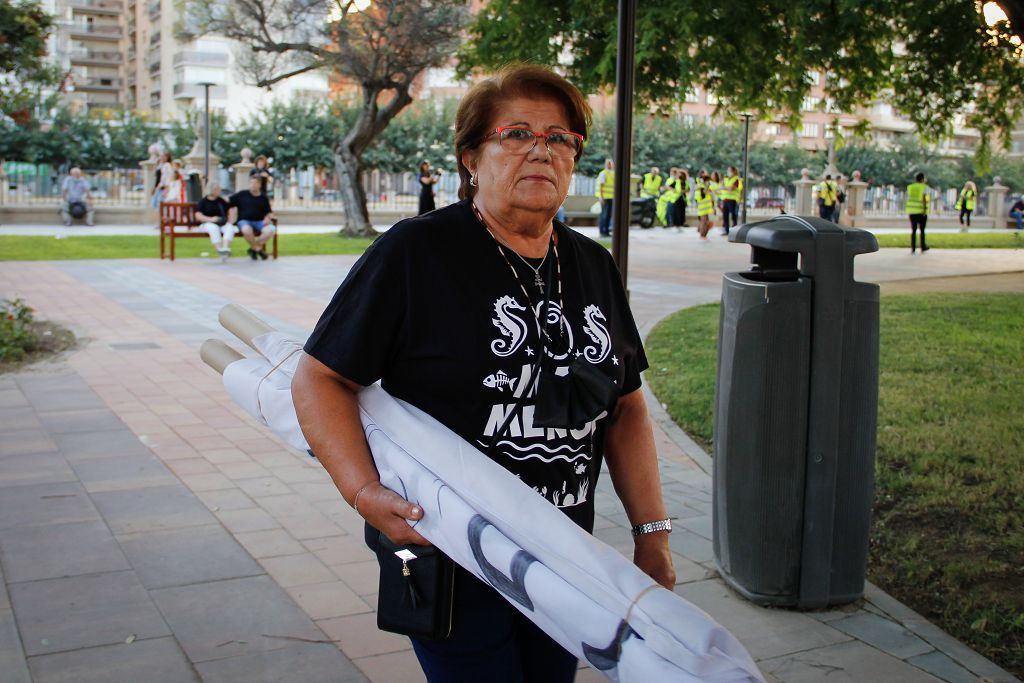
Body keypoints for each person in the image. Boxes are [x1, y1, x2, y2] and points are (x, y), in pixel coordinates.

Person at [291, 64, 675, 683]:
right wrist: (363, 493)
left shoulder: (592, 265)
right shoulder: (416, 253)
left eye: (559, 138)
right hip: (451, 550)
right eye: (517, 133)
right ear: (472, 156)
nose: (541, 151)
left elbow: (624, 405)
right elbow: (319, 378)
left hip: (563, 558)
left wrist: (650, 533)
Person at [229, 174, 276, 261]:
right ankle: (258, 249)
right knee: (246, 230)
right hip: (244, 221)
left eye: (255, 183)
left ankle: (253, 249)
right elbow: (228, 203)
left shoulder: (263, 198)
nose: (253, 185)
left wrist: (268, 218)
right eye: (251, 183)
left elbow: (268, 212)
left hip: (259, 222)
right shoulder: (242, 194)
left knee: (271, 230)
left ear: (260, 185)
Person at [196, 180, 233, 262]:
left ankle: (225, 247)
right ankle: (219, 250)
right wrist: (211, 219)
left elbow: (229, 209)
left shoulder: (221, 200)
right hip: (207, 223)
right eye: (217, 189)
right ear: (211, 189)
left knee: (230, 227)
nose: (219, 191)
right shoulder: (203, 201)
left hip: (221, 223)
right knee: (213, 228)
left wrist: (230, 220)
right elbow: (198, 216)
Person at [906, 172, 931, 254]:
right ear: (922, 179)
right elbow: (924, 198)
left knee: (913, 230)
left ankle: (913, 248)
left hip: (912, 211)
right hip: (920, 212)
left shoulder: (911, 187)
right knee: (922, 230)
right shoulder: (924, 187)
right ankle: (922, 247)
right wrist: (924, 210)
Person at [596, 158, 615, 236]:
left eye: (611, 163)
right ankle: (602, 231)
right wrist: (601, 197)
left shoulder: (613, 173)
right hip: (605, 198)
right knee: (604, 215)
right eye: (608, 163)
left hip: (611, 197)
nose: (610, 165)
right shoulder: (603, 173)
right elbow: (601, 185)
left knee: (608, 215)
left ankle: (606, 231)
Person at [720, 166, 742, 234]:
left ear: (734, 171)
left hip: (732, 200)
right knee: (725, 216)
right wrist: (726, 187)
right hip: (725, 200)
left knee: (733, 216)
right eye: (728, 170)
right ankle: (726, 231)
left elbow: (732, 188)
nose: (728, 172)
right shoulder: (726, 179)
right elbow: (721, 186)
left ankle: (734, 230)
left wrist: (724, 187)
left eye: (730, 170)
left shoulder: (736, 179)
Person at [696, 172, 715, 239]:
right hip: (703, 208)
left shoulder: (708, 188)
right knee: (704, 222)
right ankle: (702, 234)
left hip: (708, 209)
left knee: (708, 222)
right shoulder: (701, 187)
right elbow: (702, 195)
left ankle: (702, 232)